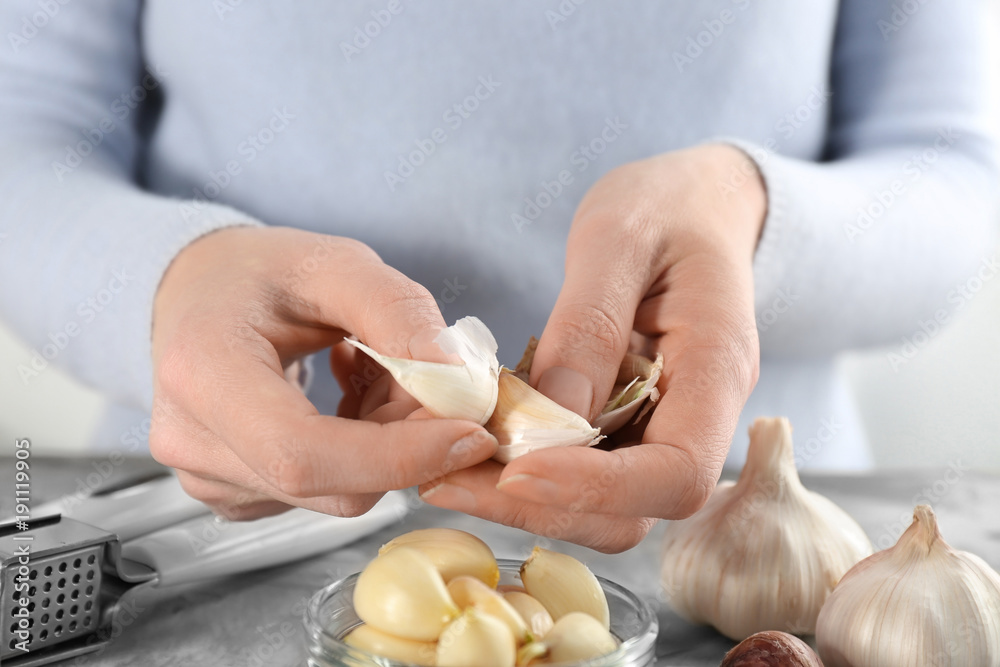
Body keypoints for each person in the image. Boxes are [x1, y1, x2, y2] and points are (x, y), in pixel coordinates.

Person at [0, 1, 996, 553]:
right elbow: (24, 130)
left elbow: (951, 169)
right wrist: (160, 284)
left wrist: (749, 215)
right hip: (205, 534)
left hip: (726, 544)